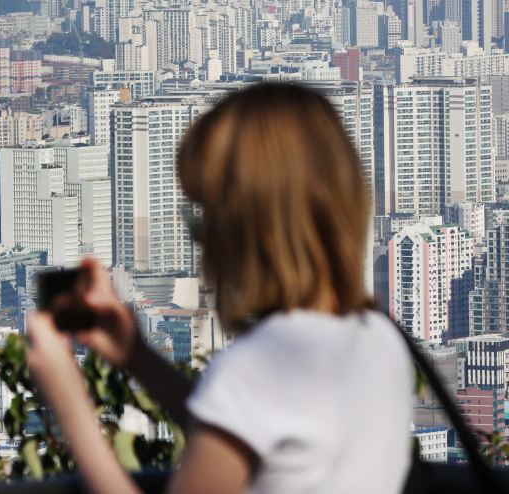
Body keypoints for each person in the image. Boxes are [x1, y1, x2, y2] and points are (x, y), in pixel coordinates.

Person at [26, 83, 412, 494]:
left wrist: (70, 405)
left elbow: (250, 412)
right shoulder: (378, 337)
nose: (198, 238)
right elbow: (251, 442)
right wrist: (138, 357)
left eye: (203, 215)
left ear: (246, 228)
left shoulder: (259, 368)